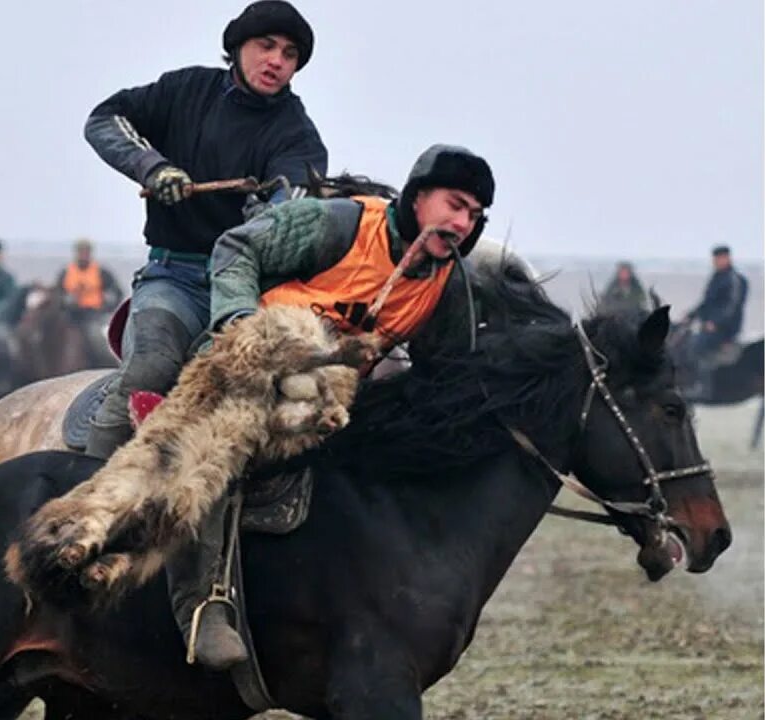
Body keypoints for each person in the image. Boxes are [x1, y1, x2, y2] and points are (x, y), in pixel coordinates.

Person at [171, 144, 495, 670]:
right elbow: (235, 247)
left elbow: (448, 365)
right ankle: (204, 606)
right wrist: (236, 323)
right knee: (223, 453)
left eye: (473, 216)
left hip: (327, 399)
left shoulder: (444, 282)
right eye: (454, 204)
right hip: (252, 365)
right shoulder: (339, 226)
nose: (461, 223)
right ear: (418, 197)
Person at [82, 0, 328, 459]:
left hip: (247, 293)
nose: (276, 60)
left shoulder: (299, 137)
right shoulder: (185, 89)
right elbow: (104, 120)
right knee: (150, 368)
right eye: (266, 45)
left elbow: (290, 206)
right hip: (171, 280)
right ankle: (82, 491)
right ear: (237, 47)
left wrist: (267, 217)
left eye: (290, 54)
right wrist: (152, 168)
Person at [684, 245, 749, 398]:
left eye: (720, 258)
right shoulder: (717, 277)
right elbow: (707, 303)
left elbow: (731, 306)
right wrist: (690, 316)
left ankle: (703, 387)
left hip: (725, 328)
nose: (716, 262)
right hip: (710, 326)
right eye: (715, 259)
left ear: (727, 258)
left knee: (698, 346)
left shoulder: (734, 279)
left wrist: (715, 322)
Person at [55, 238, 124, 319]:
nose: (83, 255)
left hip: (94, 313)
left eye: (86, 252)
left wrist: (108, 308)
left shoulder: (101, 272)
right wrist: (63, 302)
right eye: (81, 252)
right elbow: (57, 293)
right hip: (71, 314)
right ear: (76, 253)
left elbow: (118, 292)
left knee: (96, 330)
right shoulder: (66, 272)